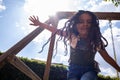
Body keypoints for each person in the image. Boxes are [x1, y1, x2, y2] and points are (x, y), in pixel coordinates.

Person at [29, 10, 120, 80]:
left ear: (93, 25)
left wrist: (118, 69)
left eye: (89, 22)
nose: (85, 24)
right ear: (75, 24)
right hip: (73, 70)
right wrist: (40, 24)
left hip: (89, 70)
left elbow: (107, 58)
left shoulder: (96, 41)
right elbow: (55, 30)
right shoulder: (72, 36)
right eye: (81, 21)